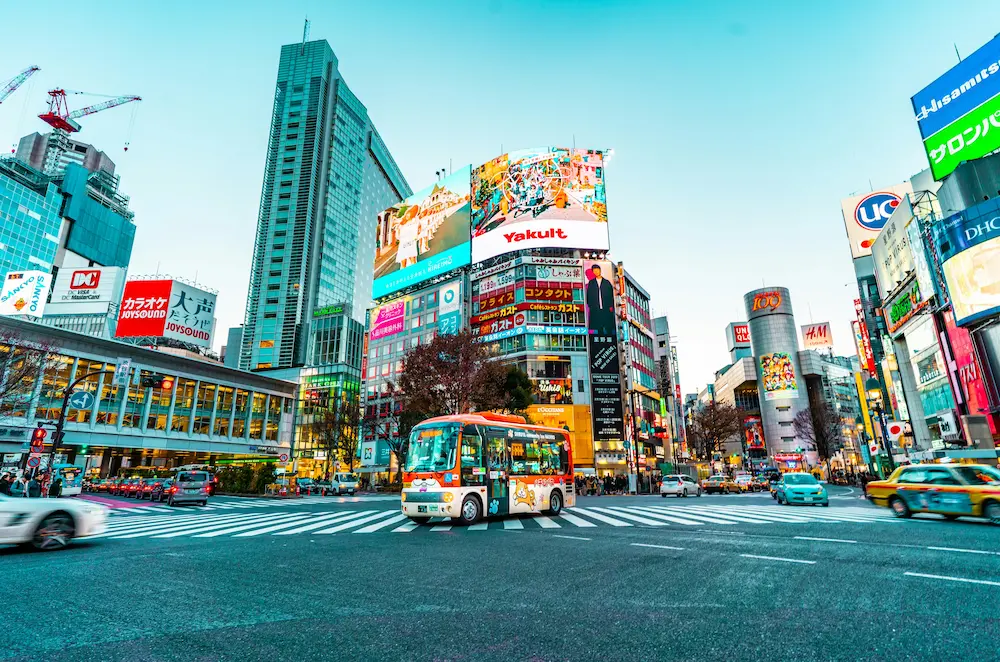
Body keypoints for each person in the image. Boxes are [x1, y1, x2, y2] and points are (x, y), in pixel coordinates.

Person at [584, 264, 616, 337]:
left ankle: (610, 338)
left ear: (600, 271)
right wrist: (591, 306)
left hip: (606, 308)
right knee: (598, 327)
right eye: (594, 271)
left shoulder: (607, 282)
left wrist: (611, 306)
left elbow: (611, 295)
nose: (596, 272)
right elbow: (589, 295)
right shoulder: (591, 283)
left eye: (597, 270)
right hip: (596, 308)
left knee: (608, 325)